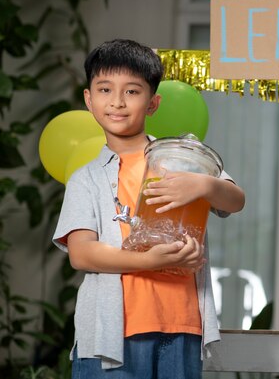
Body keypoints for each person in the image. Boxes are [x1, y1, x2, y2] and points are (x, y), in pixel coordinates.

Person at [52, 39, 245, 379]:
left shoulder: (183, 158)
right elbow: (81, 255)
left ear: (153, 103)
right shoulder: (86, 179)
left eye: (132, 91)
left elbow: (235, 200)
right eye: (105, 89)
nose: (117, 102)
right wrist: (149, 262)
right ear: (88, 99)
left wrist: (203, 184)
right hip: (109, 334)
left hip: (183, 326)